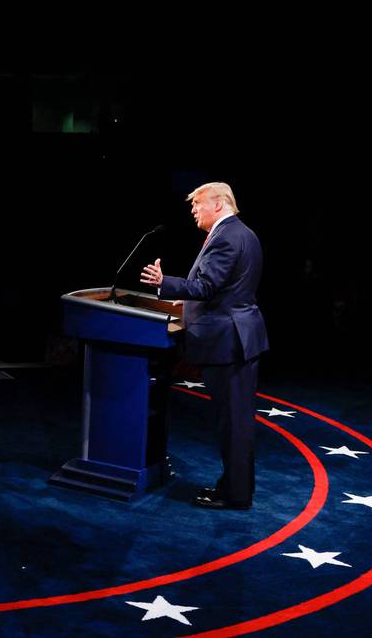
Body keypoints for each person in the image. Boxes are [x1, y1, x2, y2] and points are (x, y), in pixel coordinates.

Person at [140, 182, 268, 511]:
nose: (193, 210)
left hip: (229, 342)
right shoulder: (244, 233)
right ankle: (235, 487)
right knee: (235, 421)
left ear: (219, 203)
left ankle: (235, 495)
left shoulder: (226, 237)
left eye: (198, 203)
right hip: (237, 338)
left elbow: (207, 286)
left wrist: (163, 283)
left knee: (234, 423)